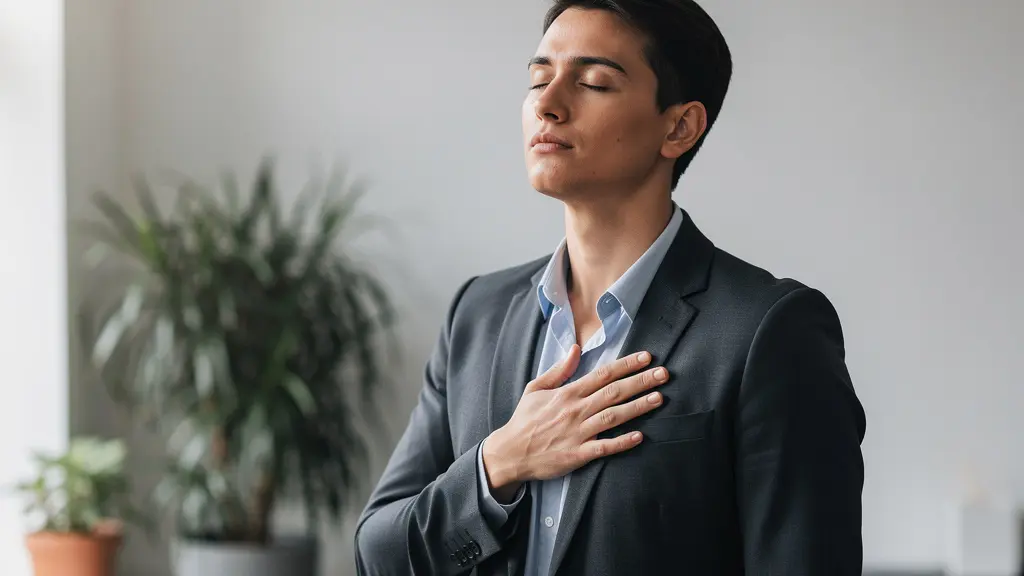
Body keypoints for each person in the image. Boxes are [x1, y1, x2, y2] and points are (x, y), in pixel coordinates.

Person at [355, 0, 866, 574]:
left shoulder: (769, 333)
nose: (547, 104)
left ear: (679, 127)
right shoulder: (476, 316)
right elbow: (376, 554)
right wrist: (498, 464)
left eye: (594, 82)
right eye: (539, 79)